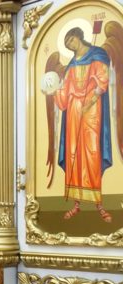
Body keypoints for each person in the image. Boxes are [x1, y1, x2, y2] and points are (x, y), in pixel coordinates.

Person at [51, 27, 112, 222]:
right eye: (67, 44)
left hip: (91, 110)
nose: (70, 46)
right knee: (73, 154)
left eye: (71, 41)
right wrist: (53, 90)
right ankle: (76, 204)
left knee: (92, 153)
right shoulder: (72, 64)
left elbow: (103, 81)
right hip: (74, 111)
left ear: (78, 36)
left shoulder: (97, 55)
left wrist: (90, 101)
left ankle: (98, 203)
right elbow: (64, 92)